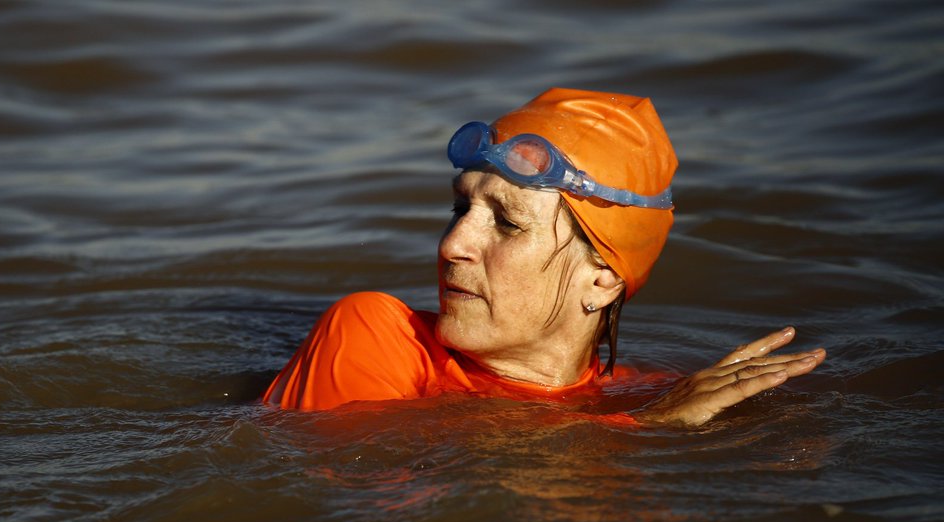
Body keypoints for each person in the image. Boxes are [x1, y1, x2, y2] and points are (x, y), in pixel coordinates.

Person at [262, 88, 826, 426]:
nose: (452, 245)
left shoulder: (650, 392)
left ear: (603, 278)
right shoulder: (376, 334)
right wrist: (646, 429)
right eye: (462, 210)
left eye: (506, 222)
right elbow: (340, 502)